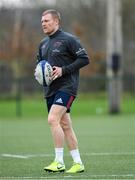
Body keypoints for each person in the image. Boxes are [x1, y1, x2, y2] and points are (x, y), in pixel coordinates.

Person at [36, 9, 90, 173]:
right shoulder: (43, 44)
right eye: (42, 21)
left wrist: (63, 70)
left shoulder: (69, 39)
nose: (43, 23)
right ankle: (78, 163)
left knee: (52, 119)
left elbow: (84, 59)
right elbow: (41, 66)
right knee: (65, 125)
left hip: (67, 87)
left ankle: (58, 162)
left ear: (56, 21)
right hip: (50, 89)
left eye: (46, 21)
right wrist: (38, 73)